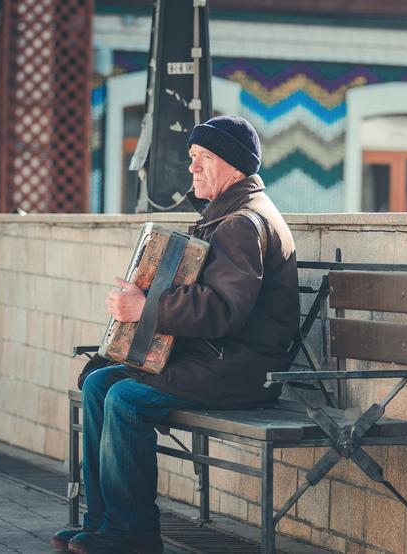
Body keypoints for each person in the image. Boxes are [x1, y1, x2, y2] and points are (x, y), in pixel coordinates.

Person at [51, 115, 299, 554]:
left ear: (236, 168)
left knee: (125, 400)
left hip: (238, 370)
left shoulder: (243, 223)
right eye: (192, 158)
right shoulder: (227, 214)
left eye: (204, 158)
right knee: (97, 383)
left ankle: (133, 535)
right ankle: (103, 521)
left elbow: (225, 311)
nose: (193, 168)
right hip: (213, 360)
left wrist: (145, 308)